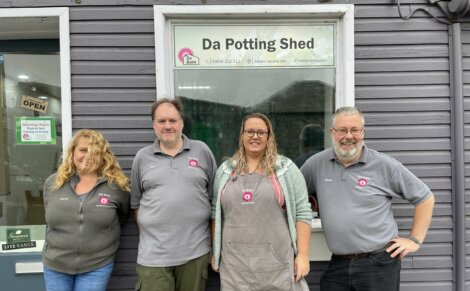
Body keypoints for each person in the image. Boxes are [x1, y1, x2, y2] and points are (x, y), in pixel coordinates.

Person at [300, 107, 435, 291]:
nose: (349, 136)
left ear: (363, 132)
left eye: (355, 130)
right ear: (332, 132)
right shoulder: (316, 164)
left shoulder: (384, 165)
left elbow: (425, 197)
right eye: (342, 130)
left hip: (378, 263)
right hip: (338, 264)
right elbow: (295, 197)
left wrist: (414, 240)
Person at [211, 112, 313, 291]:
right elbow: (215, 214)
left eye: (261, 132)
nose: (255, 137)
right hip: (234, 266)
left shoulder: (286, 169)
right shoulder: (226, 170)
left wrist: (303, 255)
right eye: (250, 131)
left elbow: (303, 213)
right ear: (242, 135)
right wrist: (215, 251)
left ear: (269, 136)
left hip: (276, 265)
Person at [131, 98, 216, 291]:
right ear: (154, 125)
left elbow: (213, 201)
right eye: (162, 121)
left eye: (173, 120)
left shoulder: (201, 151)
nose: (168, 126)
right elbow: (136, 205)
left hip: (195, 253)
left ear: (181, 123)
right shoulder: (142, 158)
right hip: (153, 257)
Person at [42, 129, 130, 291]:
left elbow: (122, 217)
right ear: (72, 152)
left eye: (95, 152)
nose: (88, 156)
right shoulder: (53, 183)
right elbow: (49, 216)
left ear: (104, 156)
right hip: (55, 265)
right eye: (83, 150)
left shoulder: (116, 186)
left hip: (96, 265)